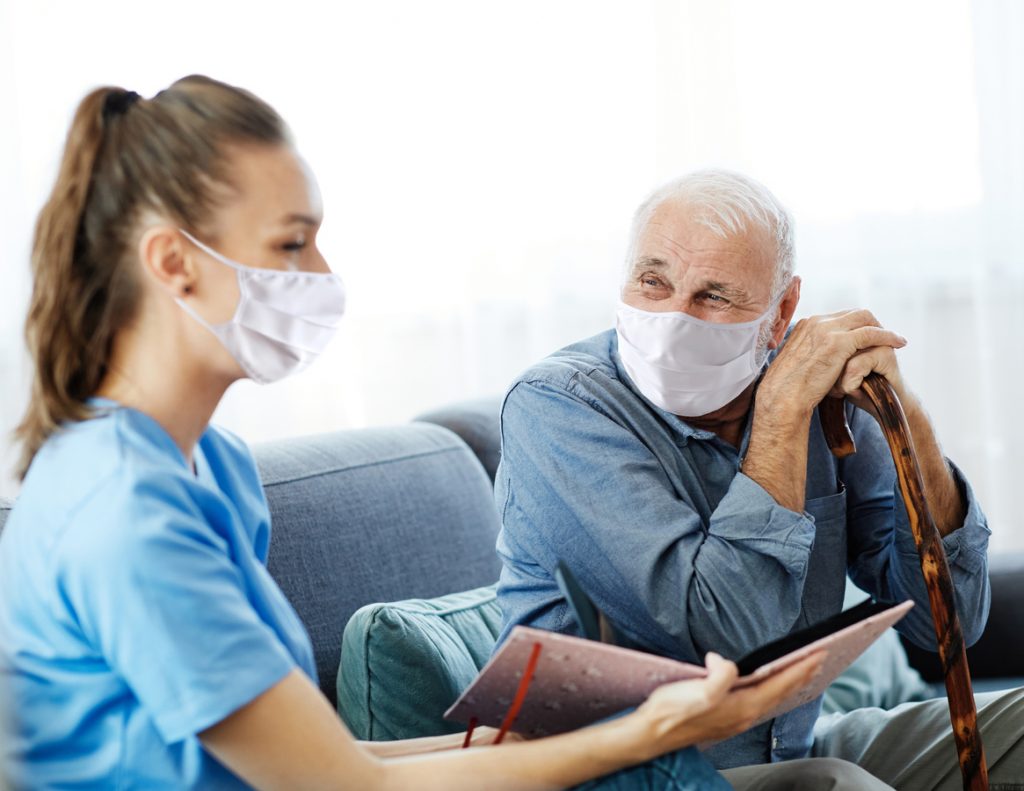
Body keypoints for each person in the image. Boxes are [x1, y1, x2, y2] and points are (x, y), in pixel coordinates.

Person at [0, 76, 890, 791]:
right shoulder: (123, 510)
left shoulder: (212, 469)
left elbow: (329, 764)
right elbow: (342, 786)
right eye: (291, 244)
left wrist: (504, 749)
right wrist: (659, 727)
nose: (324, 274)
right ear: (173, 263)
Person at [492, 168, 1024, 789]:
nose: (672, 319)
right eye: (652, 282)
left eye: (713, 296)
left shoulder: (817, 390)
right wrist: (780, 417)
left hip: (783, 752)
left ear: (782, 313)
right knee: (839, 784)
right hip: (632, 774)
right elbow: (723, 640)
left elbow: (948, 624)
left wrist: (905, 410)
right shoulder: (559, 408)